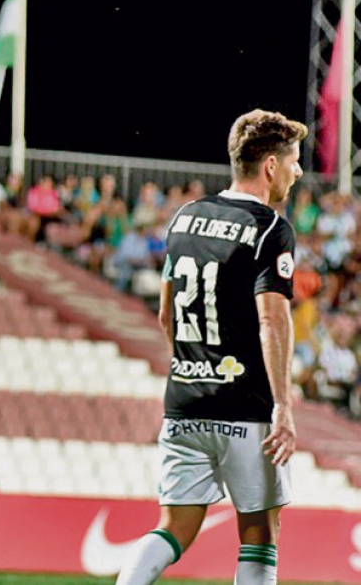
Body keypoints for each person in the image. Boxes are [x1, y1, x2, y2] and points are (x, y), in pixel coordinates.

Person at [114, 109, 304, 585]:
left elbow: (165, 313)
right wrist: (282, 404)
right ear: (270, 167)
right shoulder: (270, 228)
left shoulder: (185, 218)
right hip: (247, 408)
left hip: (185, 402)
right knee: (260, 533)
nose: (299, 171)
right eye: (294, 161)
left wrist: (196, 369)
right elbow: (273, 321)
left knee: (174, 527)